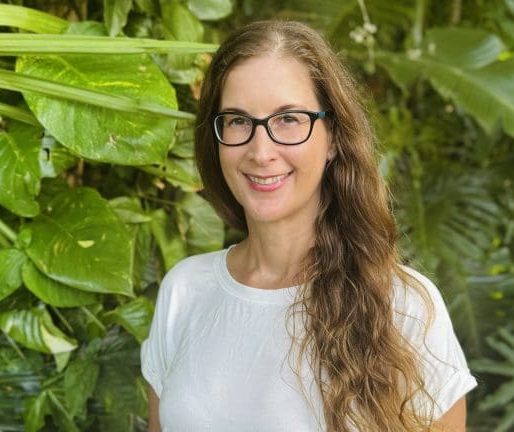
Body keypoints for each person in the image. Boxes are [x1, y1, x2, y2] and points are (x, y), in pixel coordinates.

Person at [141, 20, 476, 431]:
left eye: (289, 120)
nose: (261, 152)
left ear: (332, 137)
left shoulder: (403, 306)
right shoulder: (185, 291)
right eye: (238, 121)